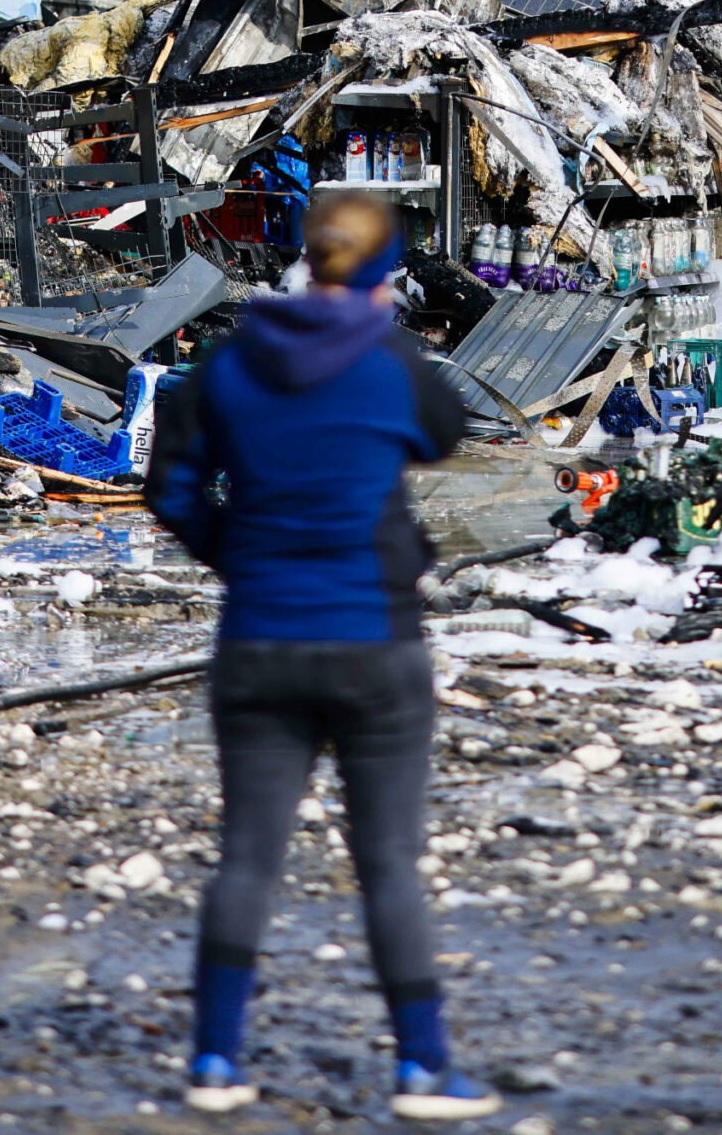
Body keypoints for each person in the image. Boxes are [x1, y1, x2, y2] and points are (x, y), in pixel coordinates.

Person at [143, 191, 500, 1122]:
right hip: (375, 641)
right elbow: (448, 433)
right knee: (387, 862)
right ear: (385, 273)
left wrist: (236, 553)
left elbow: (172, 488)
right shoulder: (392, 363)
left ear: (304, 255)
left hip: (258, 637)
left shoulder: (227, 362)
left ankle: (215, 1062)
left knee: (248, 856)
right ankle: (422, 1069)